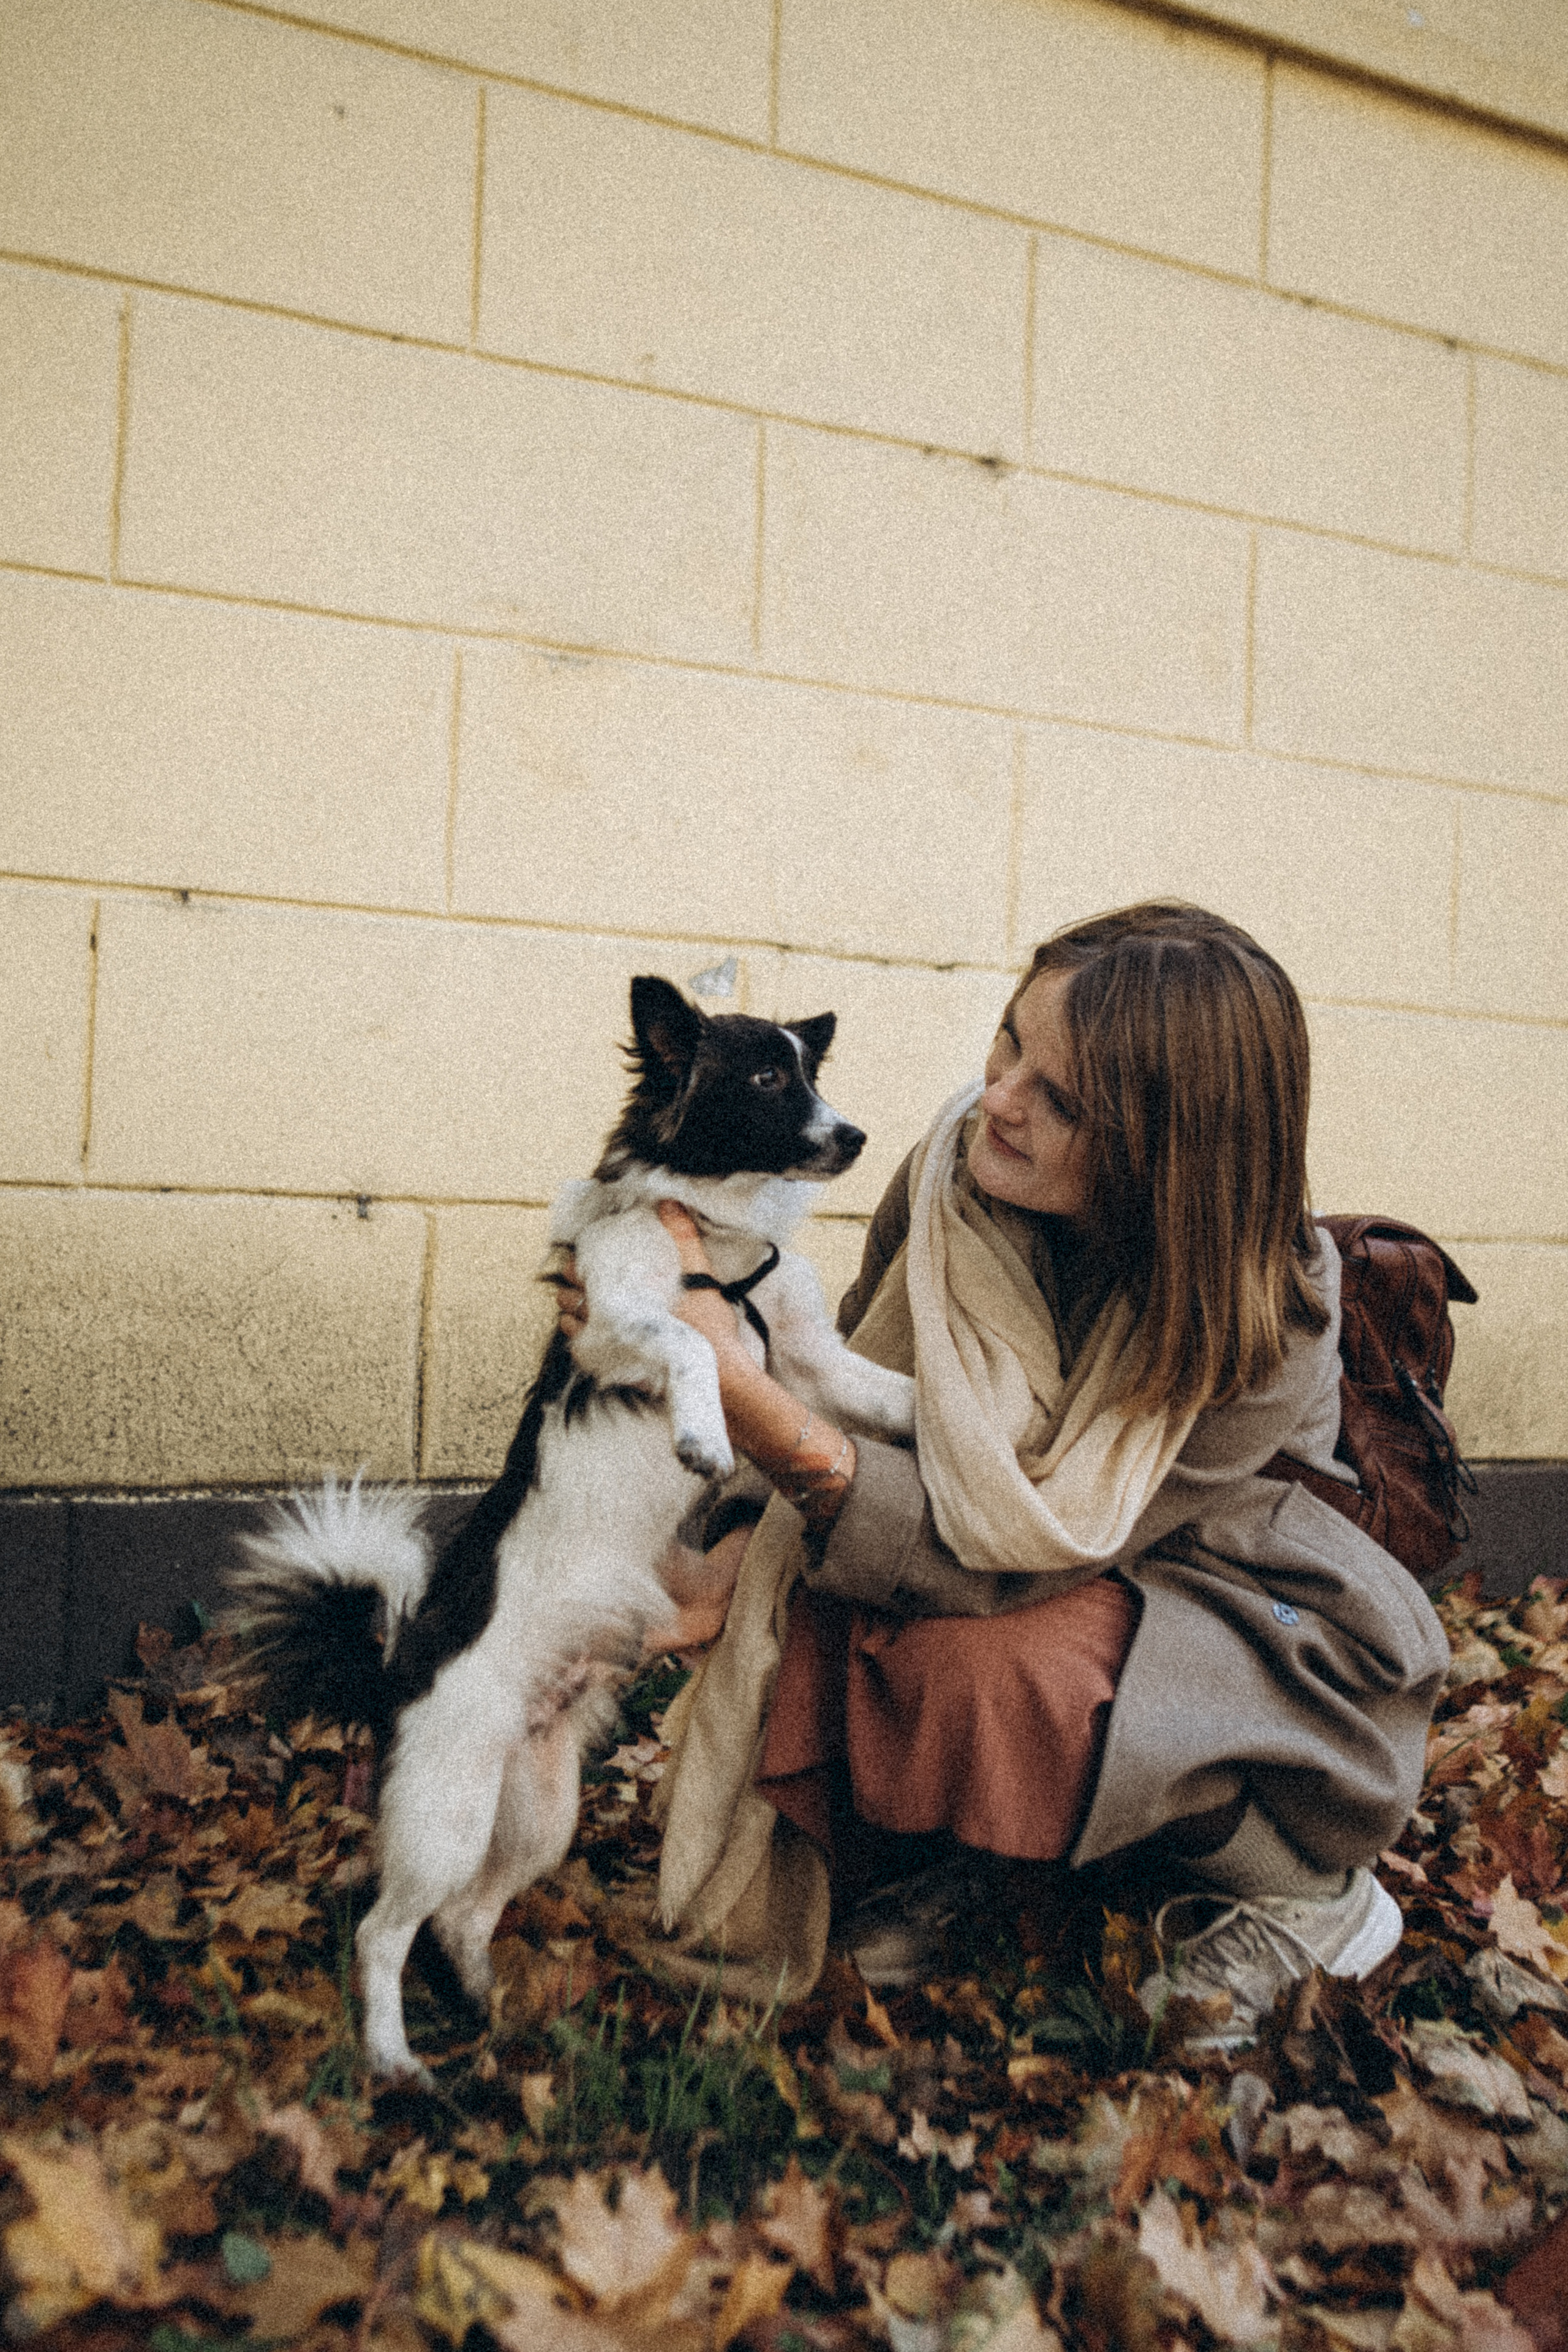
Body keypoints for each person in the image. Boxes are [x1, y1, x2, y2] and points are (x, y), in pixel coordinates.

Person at [563, 903, 1450, 2049]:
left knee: (983, 1666)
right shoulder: (952, 1182)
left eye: (1062, 1098)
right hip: (1021, 1561)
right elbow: (859, 1385)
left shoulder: (1265, 1309)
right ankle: (1005, 1862)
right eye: (1007, 1041)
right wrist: (723, 1545)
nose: (1000, 1097)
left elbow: (1012, 1560)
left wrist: (756, 1411)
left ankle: (1310, 1901)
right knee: (821, 1596)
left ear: (1164, 1147)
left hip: (1241, 1618)